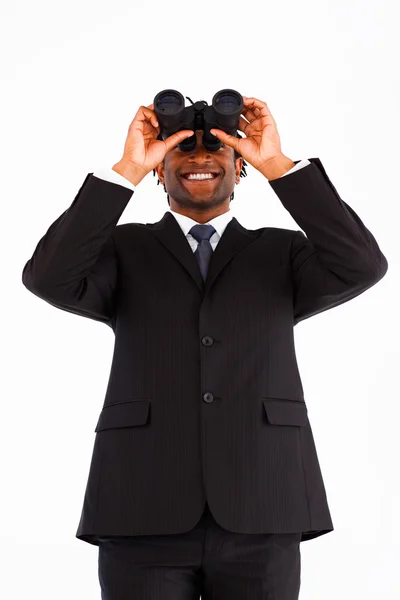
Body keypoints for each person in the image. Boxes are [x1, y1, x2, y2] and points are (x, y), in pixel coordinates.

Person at [22, 95, 388, 600]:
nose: (199, 157)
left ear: (240, 169)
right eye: (181, 148)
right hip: (141, 501)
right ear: (159, 171)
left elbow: (362, 265)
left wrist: (280, 167)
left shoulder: (282, 254)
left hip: (264, 500)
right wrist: (127, 168)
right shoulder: (122, 250)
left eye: (217, 146)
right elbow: (49, 278)